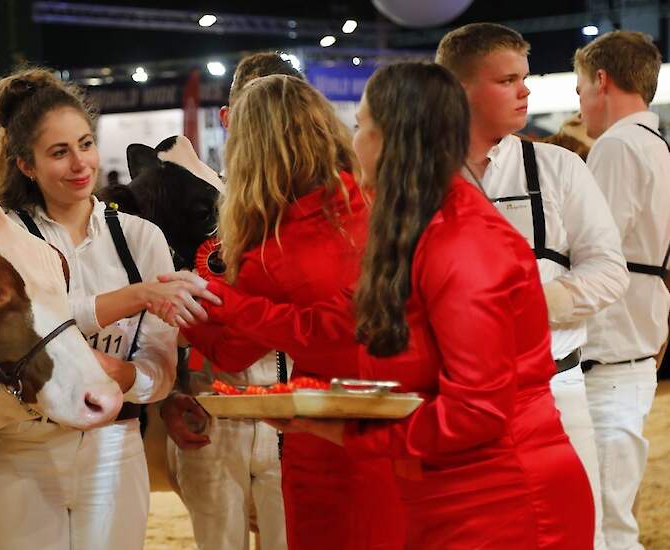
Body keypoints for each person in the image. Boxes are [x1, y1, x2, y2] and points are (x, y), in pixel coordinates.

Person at [161, 62, 595, 549]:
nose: (351, 141)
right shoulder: (418, 231)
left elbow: (474, 413)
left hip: (502, 500)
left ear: (394, 140)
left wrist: (346, 432)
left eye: (362, 126)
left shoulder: (459, 240)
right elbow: (339, 325)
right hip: (446, 491)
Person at [156, 74, 405, 550]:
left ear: (248, 148)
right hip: (397, 421)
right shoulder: (381, 205)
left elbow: (231, 349)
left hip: (321, 436)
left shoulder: (268, 246)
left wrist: (190, 298)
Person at [0, 67, 216, 550]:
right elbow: (26, 328)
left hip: (114, 448)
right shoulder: (1, 234)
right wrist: (134, 296)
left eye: (85, 144)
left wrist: (123, 375)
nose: (79, 164)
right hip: (20, 449)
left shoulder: (141, 237)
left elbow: (161, 369)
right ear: (26, 164)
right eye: (59, 152)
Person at [436, 24, 628, 548]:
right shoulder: (418, 179)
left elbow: (609, 270)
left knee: (571, 535)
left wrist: (534, 304)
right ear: (457, 89)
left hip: (556, 395)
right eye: (507, 80)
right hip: (449, 406)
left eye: (524, 78)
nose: (525, 91)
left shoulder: (558, 167)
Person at [159, 51, 302, 550]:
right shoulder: (185, 199)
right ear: (227, 117)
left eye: (283, 110)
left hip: (301, 416)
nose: (269, 126)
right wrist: (171, 393)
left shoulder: (327, 205)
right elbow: (159, 309)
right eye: (253, 111)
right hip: (211, 413)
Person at [575, 30, 670, 550]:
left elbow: (594, 252)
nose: (581, 101)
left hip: (607, 357)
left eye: (580, 87)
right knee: (611, 517)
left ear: (602, 80)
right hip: (631, 348)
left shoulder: (616, 145)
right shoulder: (657, 144)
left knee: (605, 525)